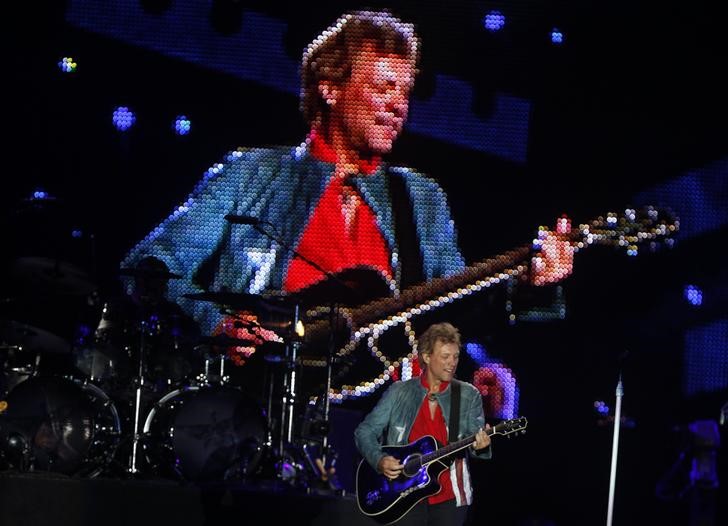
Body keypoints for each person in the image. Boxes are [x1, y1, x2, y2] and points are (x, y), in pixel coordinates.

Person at [121, 10, 573, 349]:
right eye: (381, 88)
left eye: (404, 92)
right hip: (258, 405)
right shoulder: (251, 173)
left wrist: (532, 287)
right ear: (331, 88)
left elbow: (456, 310)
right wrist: (216, 323)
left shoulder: (421, 199)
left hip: (373, 421)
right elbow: (152, 266)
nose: (398, 106)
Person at [354, 322, 490, 525]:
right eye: (445, 357)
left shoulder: (468, 395)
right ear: (427, 357)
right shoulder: (399, 392)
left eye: (455, 357)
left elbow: (474, 438)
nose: (452, 363)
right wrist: (380, 460)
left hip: (449, 497)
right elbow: (364, 431)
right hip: (403, 493)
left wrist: (481, 446)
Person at [75, 256, 201, 391]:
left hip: (159, 374)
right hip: (120, 368)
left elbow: (192, 334)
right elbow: (103, 337)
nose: (155, 285)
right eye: (149, 279)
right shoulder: (119, 306)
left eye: (159, 281)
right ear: (138, 280)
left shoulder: (172, 311)